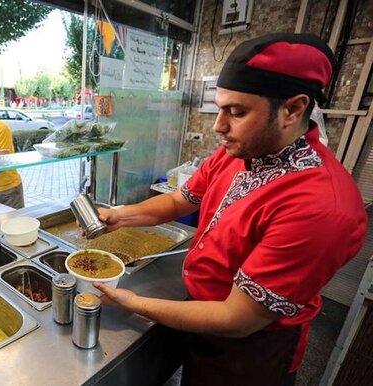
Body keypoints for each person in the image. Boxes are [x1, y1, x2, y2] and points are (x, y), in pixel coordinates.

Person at [91, 33, 367, 385]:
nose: (219, 126)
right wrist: (121, 215)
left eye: (237, 112)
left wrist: (133, 302)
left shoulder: (321, 208)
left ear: (293, 109)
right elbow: (181, 200)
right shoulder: (237, 153)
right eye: (220, 108)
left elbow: (238, 318)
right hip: (201, 316)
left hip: (249, 351)